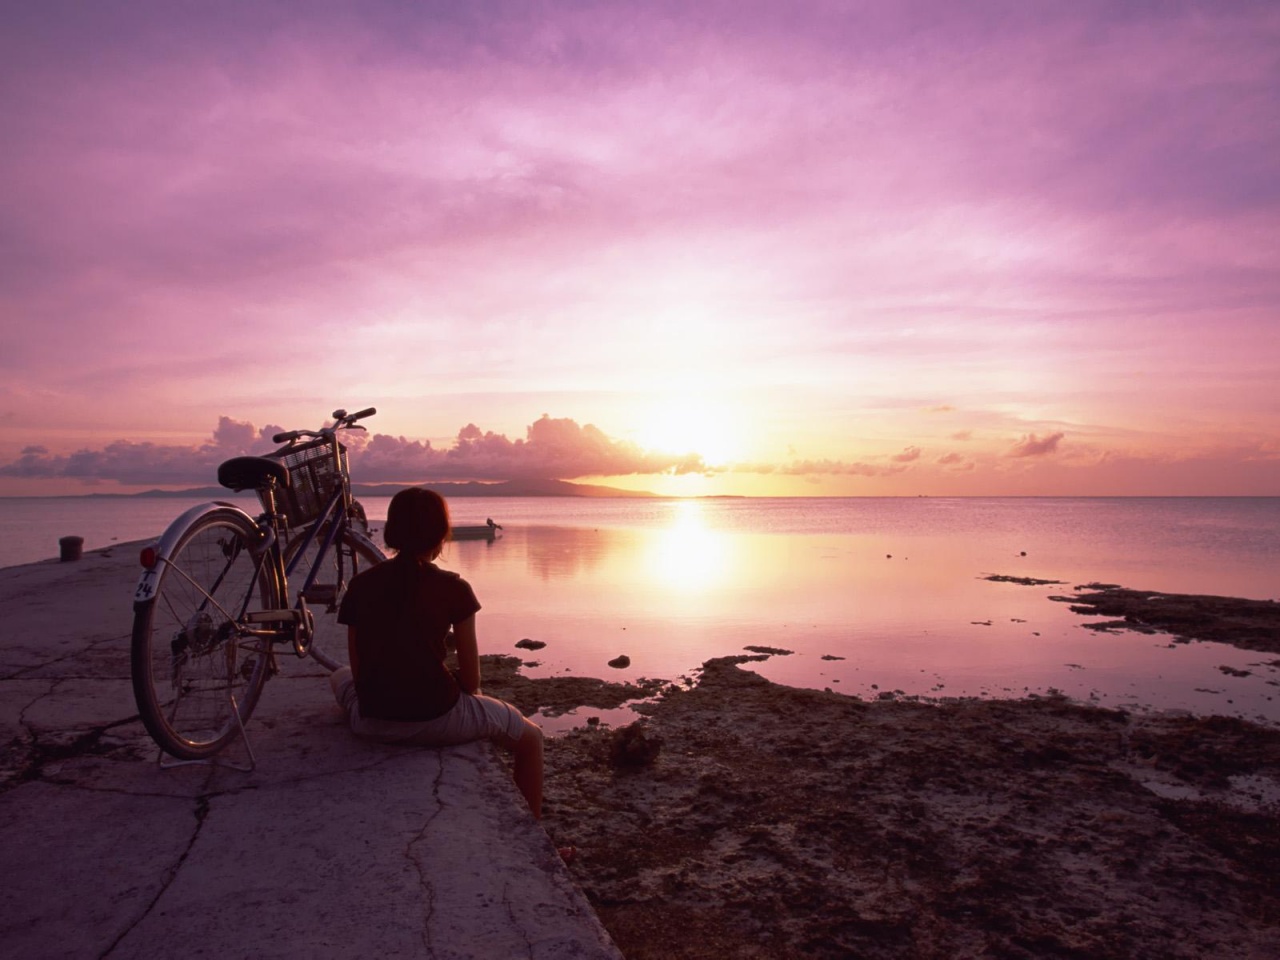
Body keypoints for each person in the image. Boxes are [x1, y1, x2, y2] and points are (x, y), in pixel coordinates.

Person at [330, 487, 545, 818]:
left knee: (338, 676)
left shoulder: (361, 585)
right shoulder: (454, 588)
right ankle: (537, 832)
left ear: (392, 531)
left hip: (370, 720)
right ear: (440, 534)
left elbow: (358, 673)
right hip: (436, 719)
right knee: (532, 739)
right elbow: (472, 680)